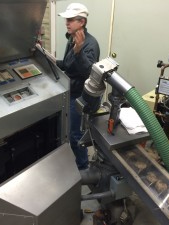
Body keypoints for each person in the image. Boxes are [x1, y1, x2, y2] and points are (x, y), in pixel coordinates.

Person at [56, 3, 100, 170]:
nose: (66, 23)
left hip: (79, 96)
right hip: (70, 90)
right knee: (68, 131)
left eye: (70, 20)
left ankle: (83, 167)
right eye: (66, 19)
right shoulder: (72, 38)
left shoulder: (89, 44)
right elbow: (69, 65)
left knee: (75, 135)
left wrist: (78, 51)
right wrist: (54, 62)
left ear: (81, 22)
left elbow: (88, 72)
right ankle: (73, 161)